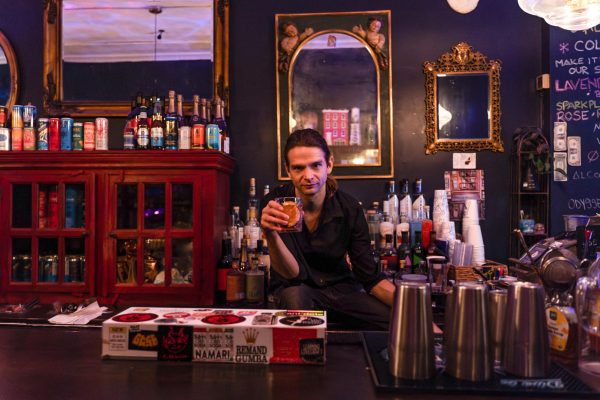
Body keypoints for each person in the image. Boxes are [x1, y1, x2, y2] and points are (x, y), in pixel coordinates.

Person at [260, 129, 394, 329]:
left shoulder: (350, 209)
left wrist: (418, 314)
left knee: (397, 321)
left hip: (342, 292)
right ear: (288, 170)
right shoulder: (276, 204)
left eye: (316, 165)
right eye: (298, 168)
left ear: (329, 164)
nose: (308, 176)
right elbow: (291, 273)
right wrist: (270, 234)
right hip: (295, 290)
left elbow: (370, 277)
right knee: (297, 296)